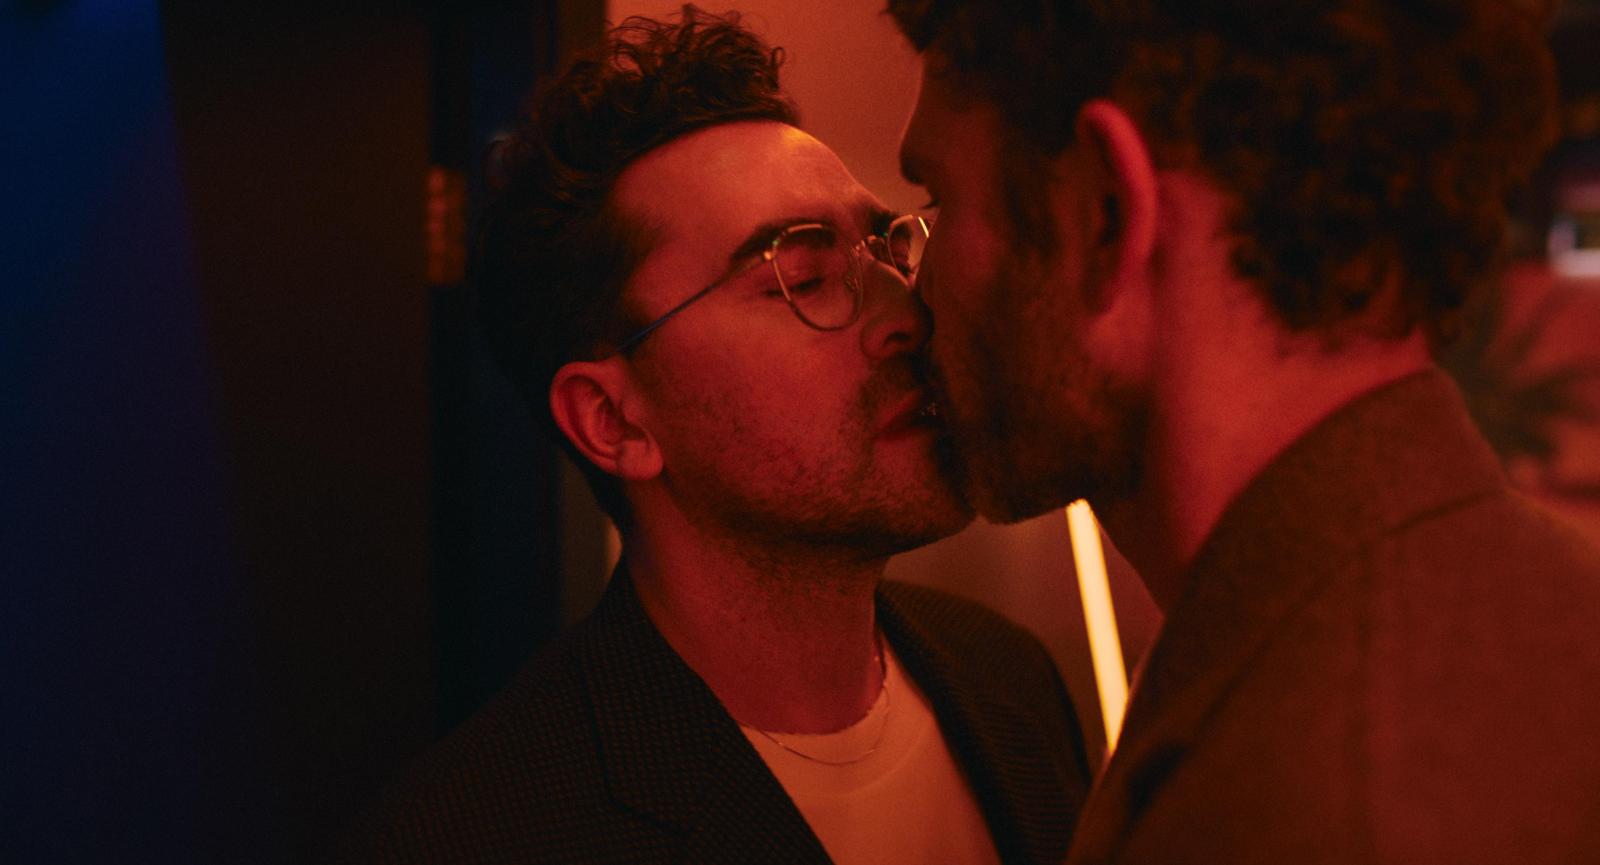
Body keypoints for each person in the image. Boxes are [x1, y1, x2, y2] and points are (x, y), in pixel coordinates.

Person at [336, 9, 1089, 864]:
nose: (904, 316)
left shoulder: (1009, 680)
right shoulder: (483, 834)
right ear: (613, 419)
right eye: (803, 275)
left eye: (886, 246)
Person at [889, 1, 1600, 863]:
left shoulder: (1311, 800)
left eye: (939, 201)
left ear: (1107, 213)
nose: (911, 299)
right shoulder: (1526, 608)